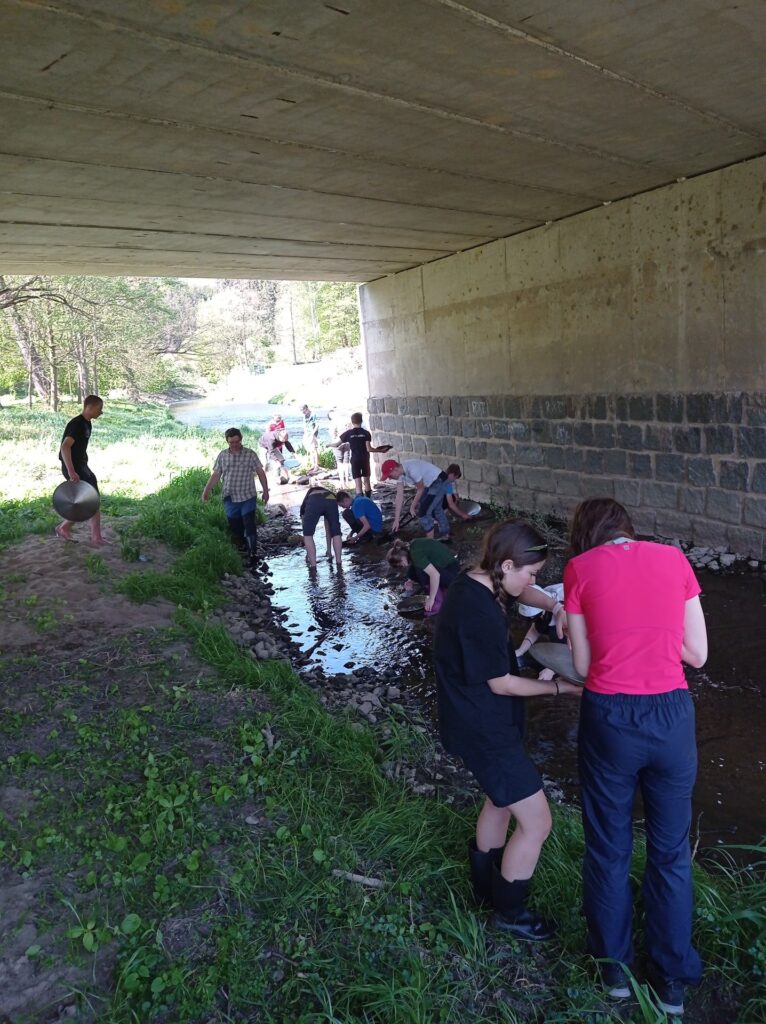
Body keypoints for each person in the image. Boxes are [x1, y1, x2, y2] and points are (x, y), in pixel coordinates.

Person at [564, 498, 708, 1014]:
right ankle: (671, 982)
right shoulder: (674, 559)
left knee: (609, 847)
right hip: (671, 718)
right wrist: (656, 637)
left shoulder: (579, 570)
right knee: (670, 853)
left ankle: (615, 973)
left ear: (586, 535)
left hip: (610, 718)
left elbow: (584, 667)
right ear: (628, 528)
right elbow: (698, 655)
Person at [433, 520, 580, 940]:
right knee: (537, 822)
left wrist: (555, 606)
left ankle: (485, 889)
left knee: (499, 802)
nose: (534, 582)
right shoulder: (476, 613)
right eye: (532, 574)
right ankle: (510, 914)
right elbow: (502, 684)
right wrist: (559, 688)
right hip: (484, 729)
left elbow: (523, 593)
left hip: (475, 720)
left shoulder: (478, 582)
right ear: (509, 564)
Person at [201, 428, 269, 562]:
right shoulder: (222, 456)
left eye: (237, 442)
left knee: (249, 523)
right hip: (230, 496)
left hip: (248, 495)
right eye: (231, 442)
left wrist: (266, 491)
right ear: (227, 442)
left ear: (241, 440)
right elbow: (216, 475)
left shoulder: (250, 454)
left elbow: (260, 472)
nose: (234, 445)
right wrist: (206, 491)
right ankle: (242, 545)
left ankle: (253, 553)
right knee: (235, 524)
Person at [56, 394, 106, 545]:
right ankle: (92, 537)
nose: (101, 412)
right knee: (90, 500)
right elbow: (65, 447)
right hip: (74, 468)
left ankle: (67, 528)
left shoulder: (87, 423)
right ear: (90, 407)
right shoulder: (77, 424)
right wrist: (71, 471)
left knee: (90, 500)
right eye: (99, 408)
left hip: (82, 466)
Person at [381, 458, 471, 535]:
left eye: (390, 475)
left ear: (395, 469)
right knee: (435, 508)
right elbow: (399, 496)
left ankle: (431, 542)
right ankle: (445, 534)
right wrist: (396, 520)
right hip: (430, 485)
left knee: (423, 513)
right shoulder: (401, 475)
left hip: (439, 480)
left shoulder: (412, 469)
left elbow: (420, 489)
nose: (389, 478)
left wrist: (412, 506)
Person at [386, 537, 460, 616]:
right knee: (415, 570)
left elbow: (435, 575)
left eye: (400, 563)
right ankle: (438, 590)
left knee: (422, 573)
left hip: (450, 570)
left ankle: (438, 601)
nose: (401, 565)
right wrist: (410, 580)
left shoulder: (415, 554)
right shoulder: (412, 546)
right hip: (445, 567)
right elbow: (415, 566)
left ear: (402, 556)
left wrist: (431, 598)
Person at [416, 463, 471, 542]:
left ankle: (444, 534)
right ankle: (433, 540)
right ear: (453, 474)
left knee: (438, 509)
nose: (454, 480)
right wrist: (463, 514)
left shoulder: (436, 475)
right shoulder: (448, 484)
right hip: (427, 510)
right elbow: (451, 504)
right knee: (437, 511)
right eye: (455, 478)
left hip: (423, 503)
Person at [339, 412, 388, 497]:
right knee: (366, 481)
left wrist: (329, 445)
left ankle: (361, 501)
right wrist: (380, 450)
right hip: (365, 459)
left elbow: (337, 444)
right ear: (361, 421)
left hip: (355, 460)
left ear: (352, 422)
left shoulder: (348, 433)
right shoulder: (366, 433)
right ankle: (369, 499)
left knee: (358, 483)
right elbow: (369, 449)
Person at [300, 484, 342, 568]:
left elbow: (305, 530)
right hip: (330, 497)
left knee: (308, 534)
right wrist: (329, 551)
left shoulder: (308, 499)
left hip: (315, 499)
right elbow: (328, 528)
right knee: (336, 532)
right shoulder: (327, 492)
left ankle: (313, 566)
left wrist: (308, 554)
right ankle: (339, 562)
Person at [301, 404, 321, 473]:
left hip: (313, 434)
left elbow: (317, 425)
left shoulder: (313, 414)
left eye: (303, 410)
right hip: (307, 434)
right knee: (310, 449)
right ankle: (313, 464)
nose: (302, 412)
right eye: (301, 411)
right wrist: (305, 434)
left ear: (306, 408)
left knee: (314, 449)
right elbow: (305, 425)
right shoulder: (304, 415)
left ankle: (316, 465)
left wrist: (312, 433)